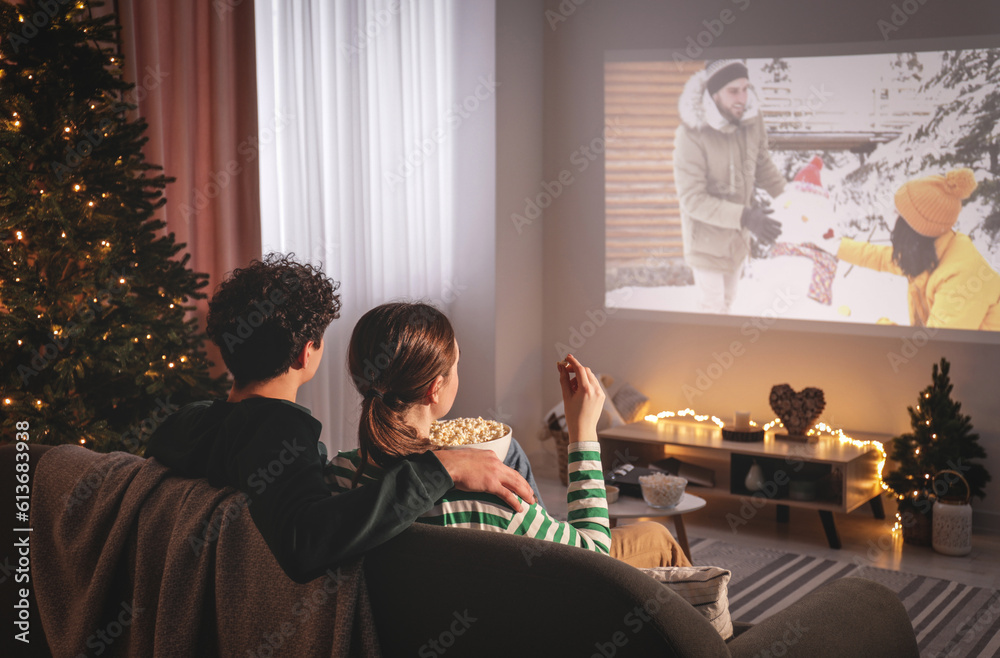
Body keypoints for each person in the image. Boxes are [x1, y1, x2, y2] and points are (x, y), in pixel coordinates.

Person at [146, 254, 535, 584]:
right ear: (306, 353)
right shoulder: (281, 432)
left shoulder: (188, 423)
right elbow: (306, 541)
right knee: (511, 454)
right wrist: (440, 468)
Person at [327, 302, 691, 566]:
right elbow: (593, 559)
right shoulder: (492, 500)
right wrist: (583, 433)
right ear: (435, 390)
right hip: (548, 613)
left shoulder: (339, 476)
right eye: (457, 365)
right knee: (658, 537)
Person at [674, 59, 787, 313]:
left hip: (736, 241)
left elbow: (762, 164)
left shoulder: (751, 121)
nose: (742, 98)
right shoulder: (691, 134)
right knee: (712, 308)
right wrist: (745, 216)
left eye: (745, 88)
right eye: (733, 91)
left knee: (727, 303)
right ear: (714, 94)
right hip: (705, 242)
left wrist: (791, 200)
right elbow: (692, 200)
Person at [837, 168, 1000, 330]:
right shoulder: (930, 251)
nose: (894, 221)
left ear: (915, 228)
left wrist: (885, 332)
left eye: (899, 215)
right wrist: (838, 247)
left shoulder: (959, 277)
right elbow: (884, 258)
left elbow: (941, 348)